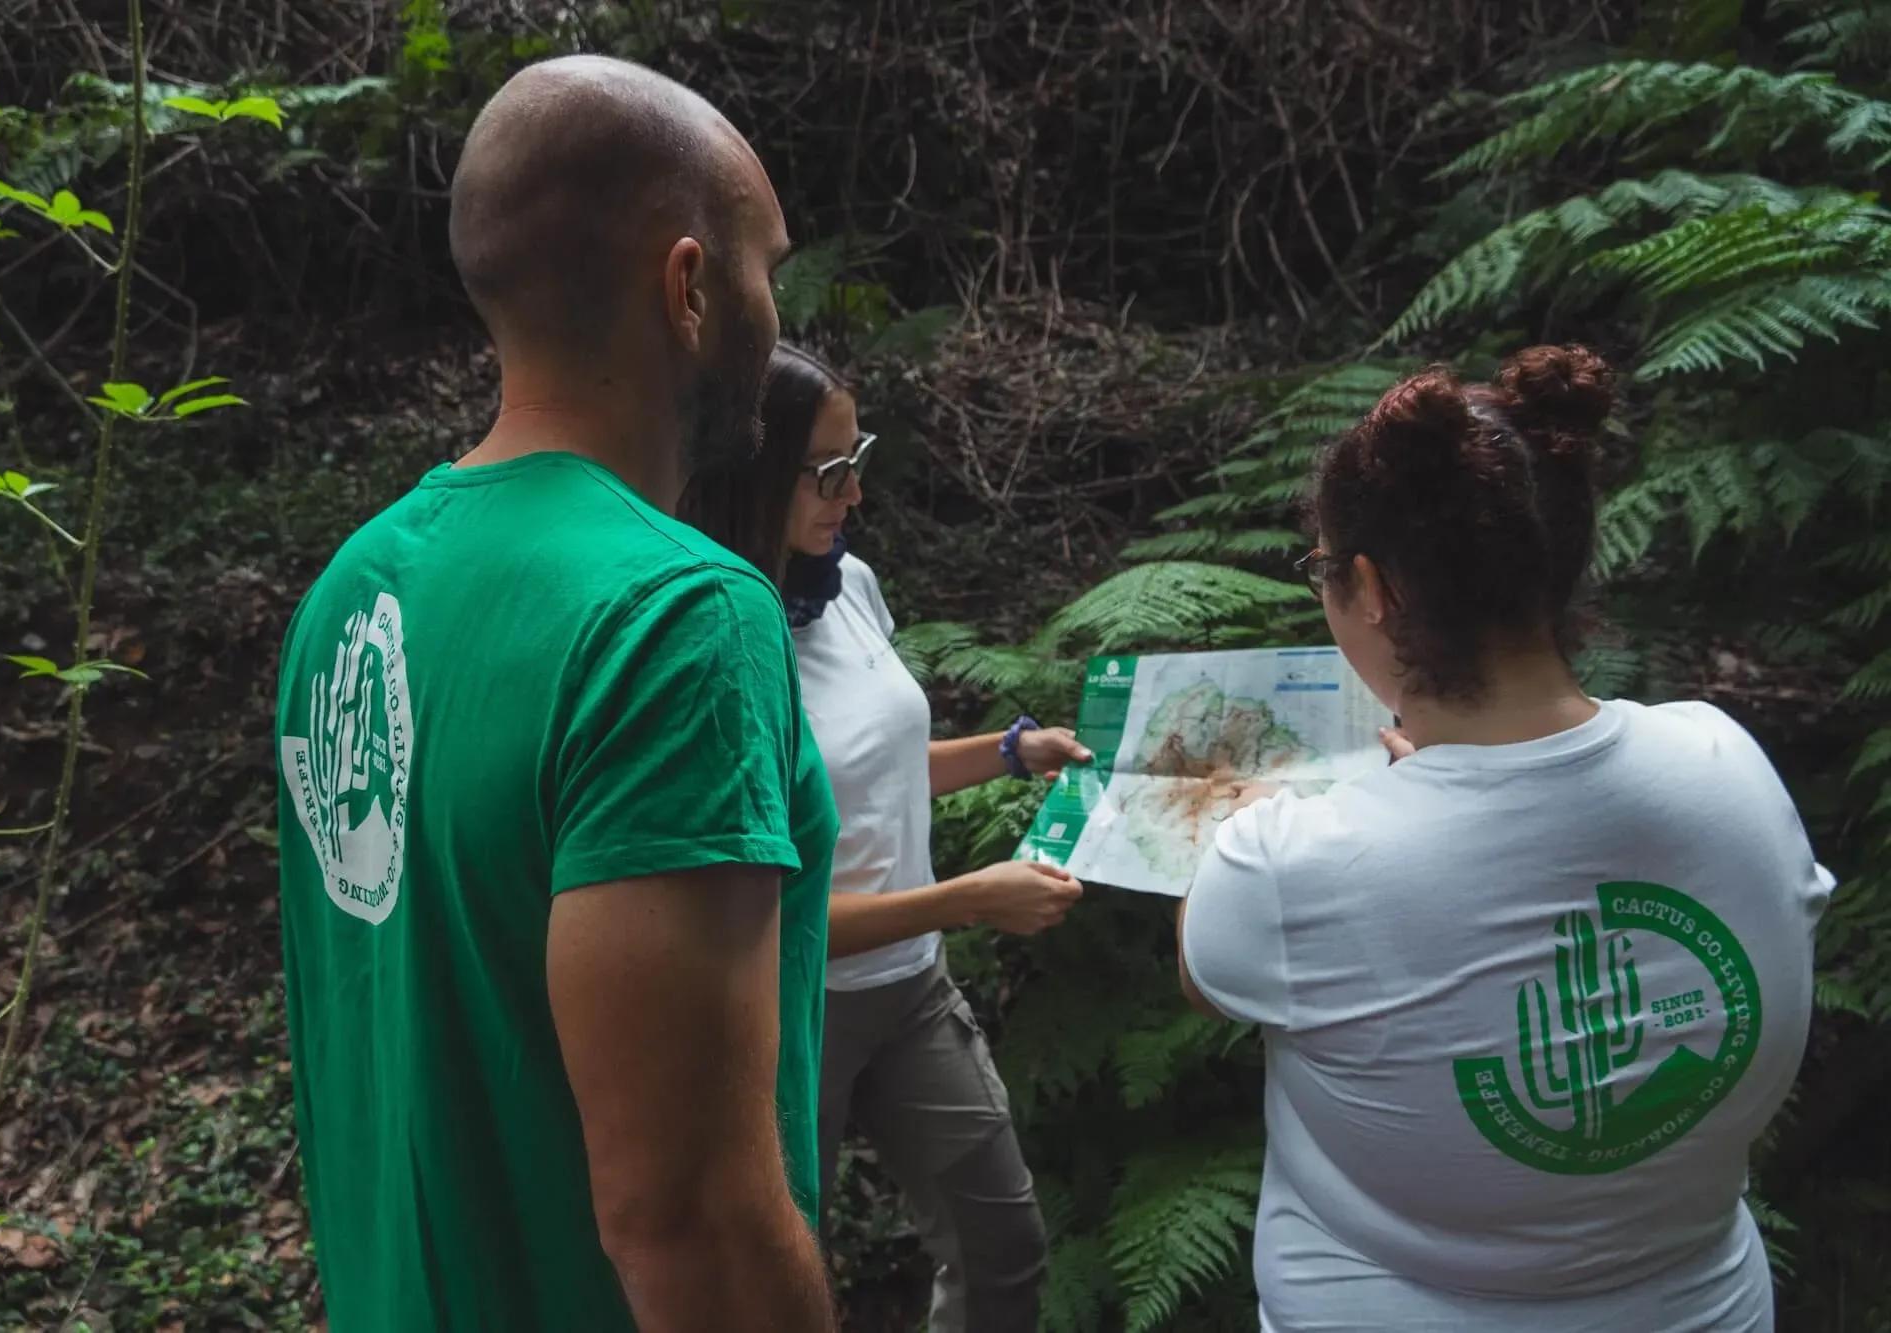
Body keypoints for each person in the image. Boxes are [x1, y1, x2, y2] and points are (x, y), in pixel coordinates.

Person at [274, 58, 837, 1332]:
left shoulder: (351, 594)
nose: (773, 307)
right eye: (766, 267)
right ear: (689, 286)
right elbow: (685, 1217)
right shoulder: (674, 619)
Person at [1176, 345, 1834, 1332]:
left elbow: (1201, 963)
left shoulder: (1289, 862)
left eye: (1321, 570)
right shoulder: (1724, 762)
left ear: (1370, 586)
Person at [680, 343, 1088, 1332]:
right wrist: (970, 899)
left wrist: (1007, 750)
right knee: (777, 1286)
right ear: (751, 471)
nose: (851, 492)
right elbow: (775, 910)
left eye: (852, 457)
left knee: (1002, 1248)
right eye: (824, 471)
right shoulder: (714, 649)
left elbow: (868, 765)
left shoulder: (845, 583)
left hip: (908, 988)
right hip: (783, 1019)